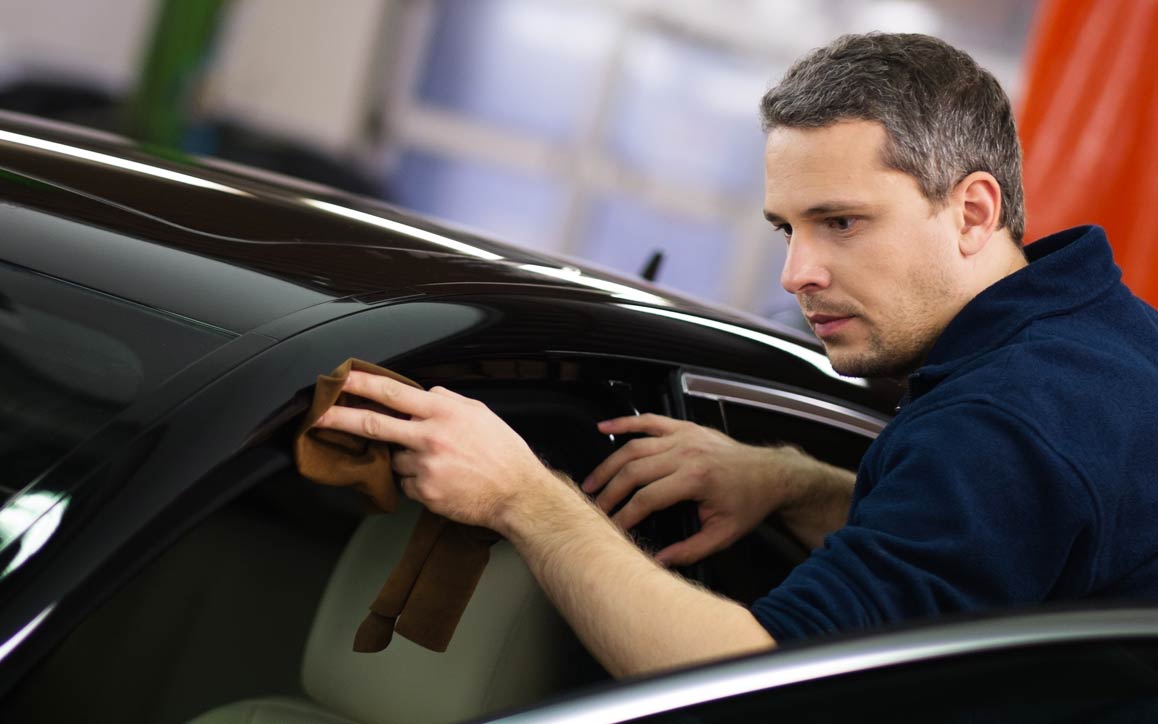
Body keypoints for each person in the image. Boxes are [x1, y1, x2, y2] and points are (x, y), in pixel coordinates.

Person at [312, 33, 1158, 678]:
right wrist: (791, 480)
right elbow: (1000, 550)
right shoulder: (1103, 338)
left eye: (842, 222)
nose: (798, 274)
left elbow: (754, 682)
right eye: (787, 228)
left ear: (974, 211)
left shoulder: (1004, 428)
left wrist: (523, 497)